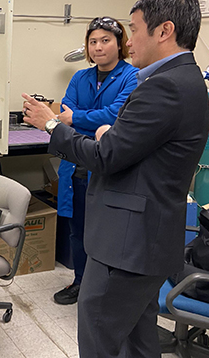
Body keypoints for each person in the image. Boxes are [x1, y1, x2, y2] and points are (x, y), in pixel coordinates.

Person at [22, 0, 209, 357]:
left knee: (98, 338)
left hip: (128, 246)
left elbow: (106, 156)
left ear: (164, 31)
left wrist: (51, 126)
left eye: (134, 29)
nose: (128, 40)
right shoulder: (185, 79)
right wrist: (108, 132)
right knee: (138, 340)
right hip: (148, 241)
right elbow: (126, 143)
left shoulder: (163, 87)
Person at [53, 17, 138, 305]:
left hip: (109, 169)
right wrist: (79, 120)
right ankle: (80, 281)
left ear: (120, 43)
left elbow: (117, 115)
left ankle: (103, 289)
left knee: (108, 233)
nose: (98, 47)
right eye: (93, 41)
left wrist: (77, 118)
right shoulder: (80, 78)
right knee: (79, 230)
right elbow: (64, 112)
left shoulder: (132, 76)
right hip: (77, 167)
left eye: (105, 40)